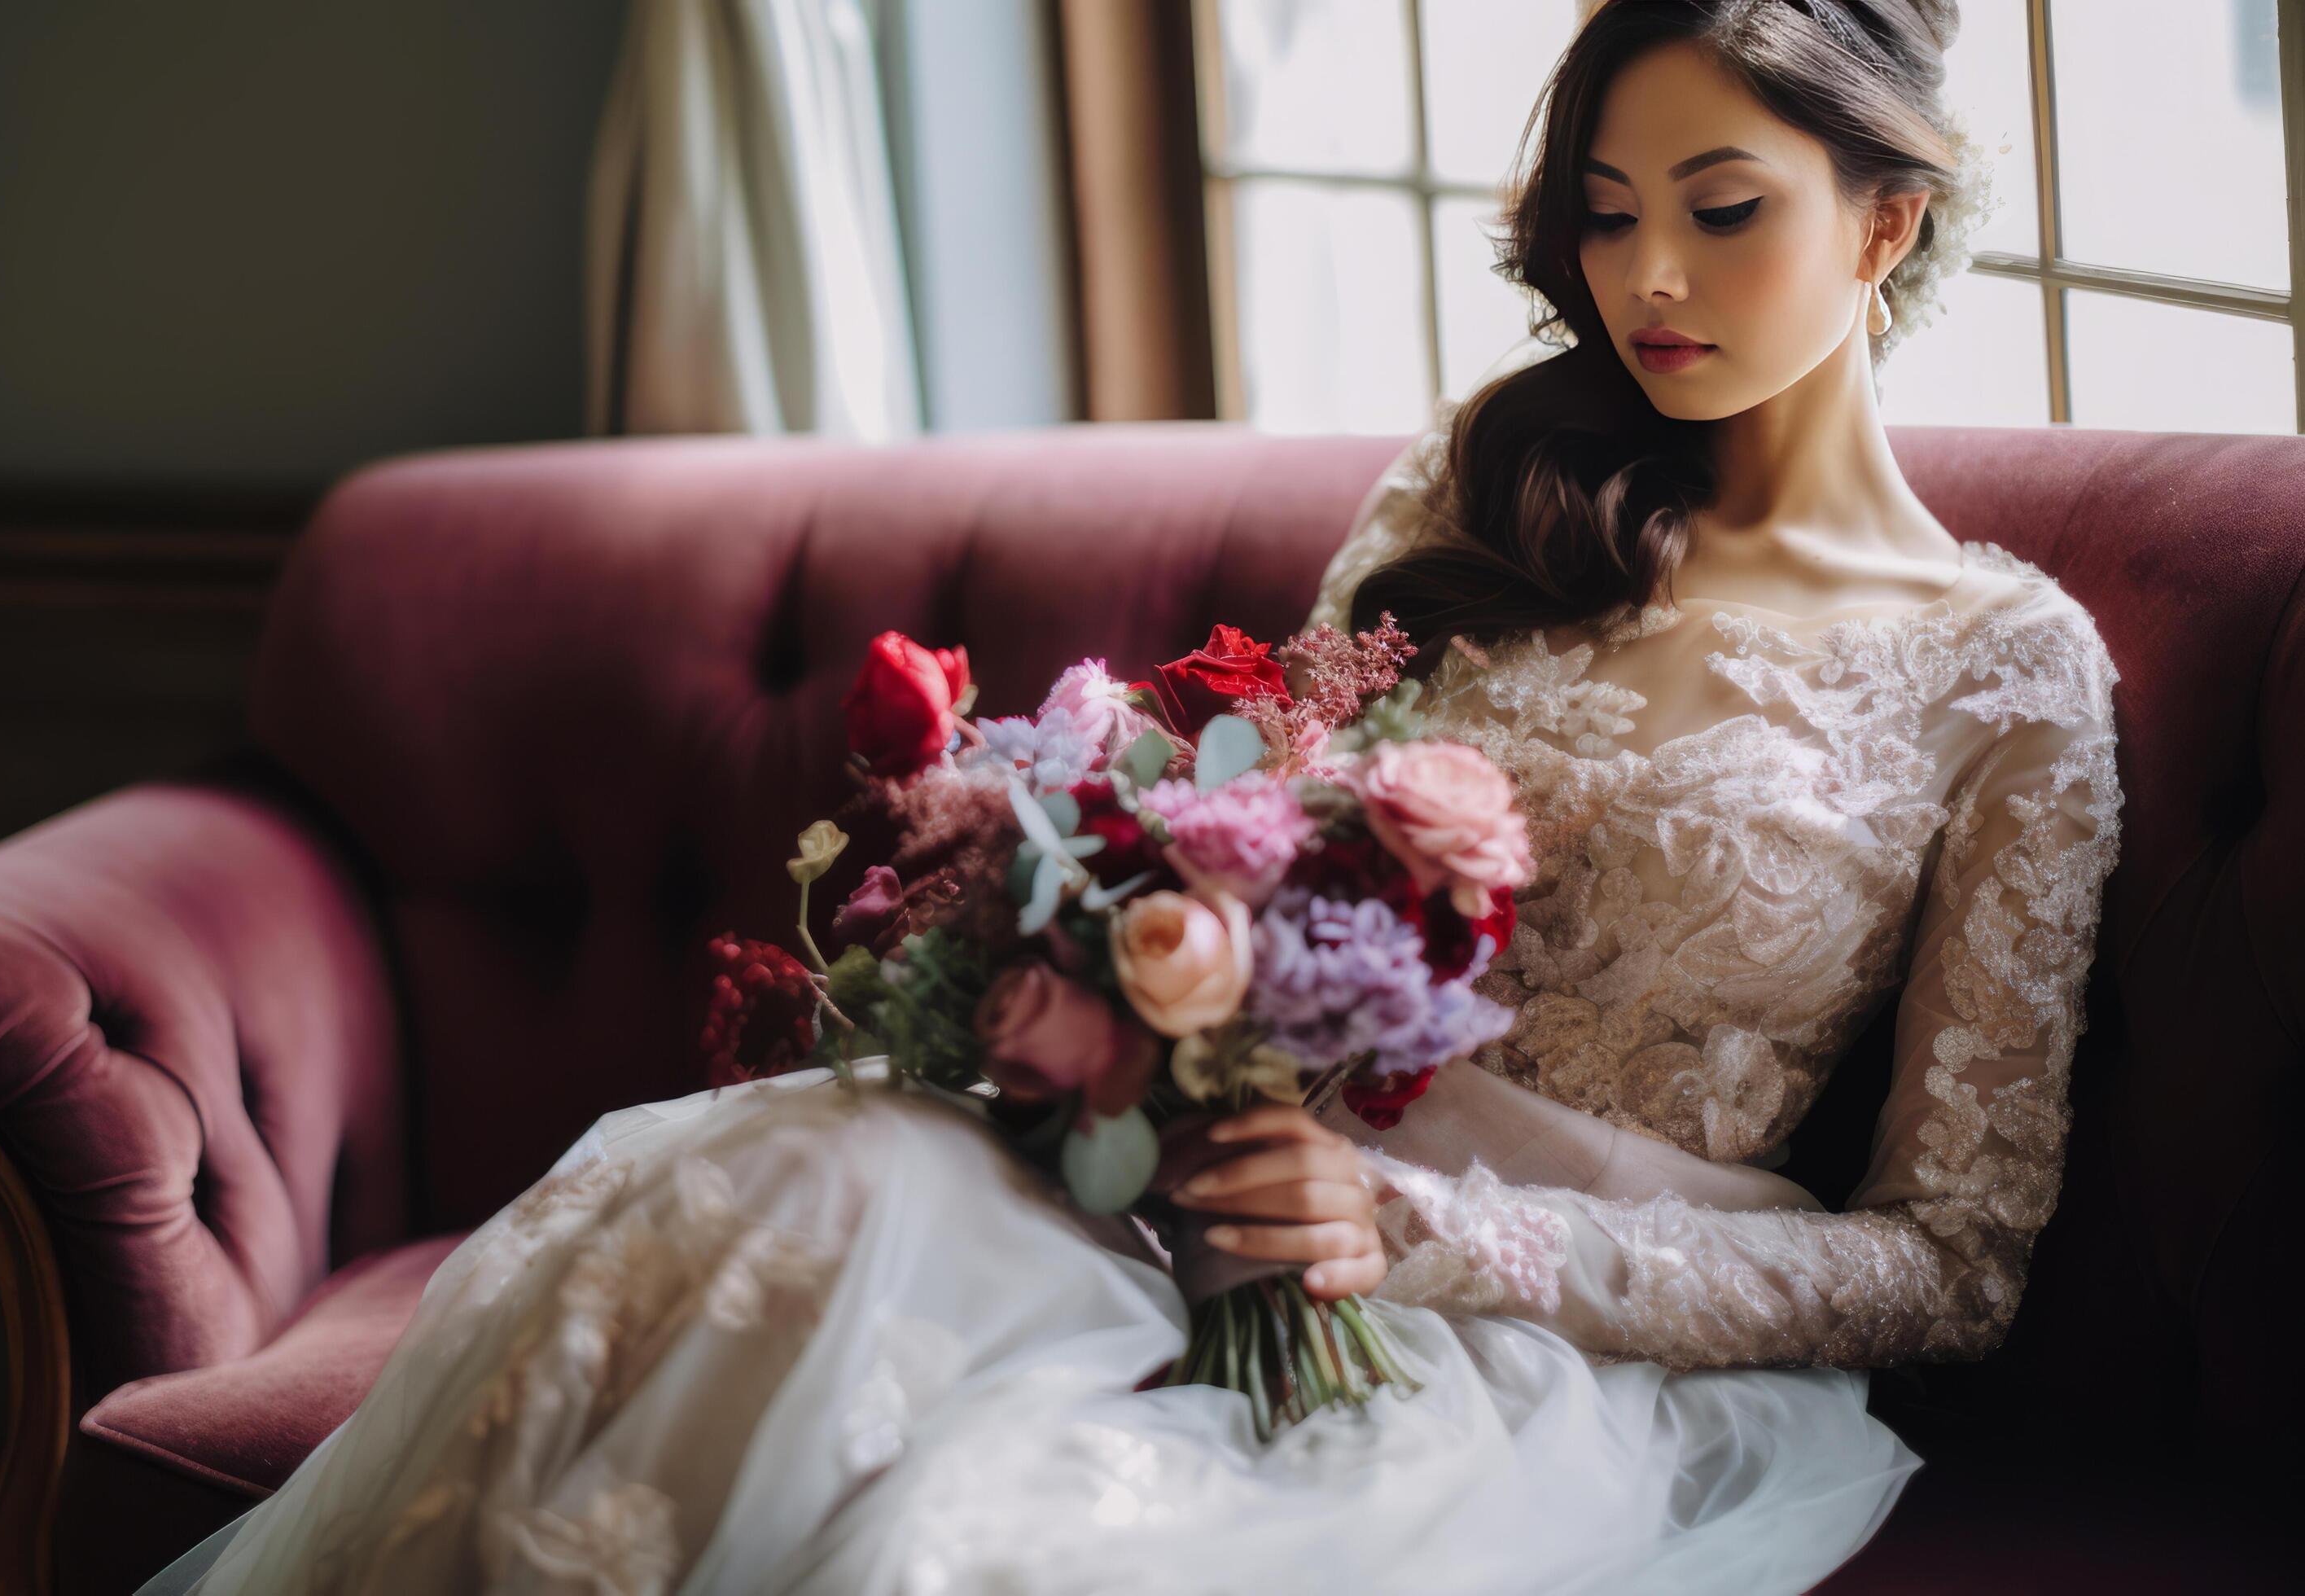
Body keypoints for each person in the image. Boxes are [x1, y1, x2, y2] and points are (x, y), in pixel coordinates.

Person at [141, 2, 2120, 1589]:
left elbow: (1949, 1259)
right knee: (754, 1196)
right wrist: (1096, 970)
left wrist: (1421, 1231)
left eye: (1721, 205)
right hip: (1181, 1179)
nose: (1648, 276)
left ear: (1885, 220)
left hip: (1532, 1334)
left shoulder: (2005, 669)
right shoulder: (1482, 488)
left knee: (974, 1533)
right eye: (1606, 212)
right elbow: (1254, 846)